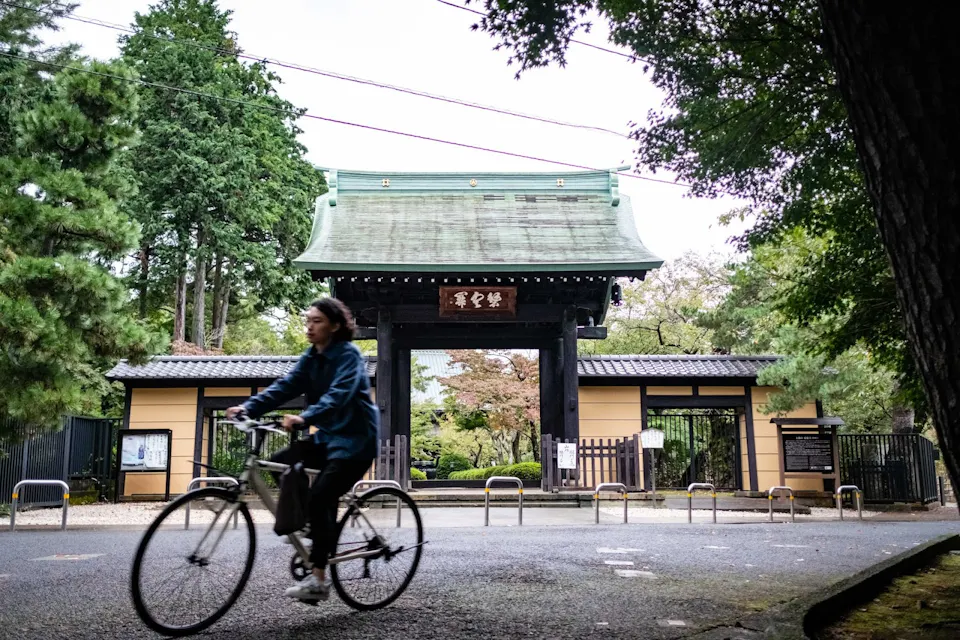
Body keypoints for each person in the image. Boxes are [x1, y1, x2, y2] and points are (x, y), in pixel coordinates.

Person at [226, 297, 378, 602]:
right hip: (326, 438)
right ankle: (314, 526)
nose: (309, 326)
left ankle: (319, 580)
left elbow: (338, 395)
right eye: (307, 320)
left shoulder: (348, 355)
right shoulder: (311, 357)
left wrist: (305, 417)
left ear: (335, 326)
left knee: (323, 495)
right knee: (279, 464)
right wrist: (248, 407)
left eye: (317, 321)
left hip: (355, 442)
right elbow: (286, 386)